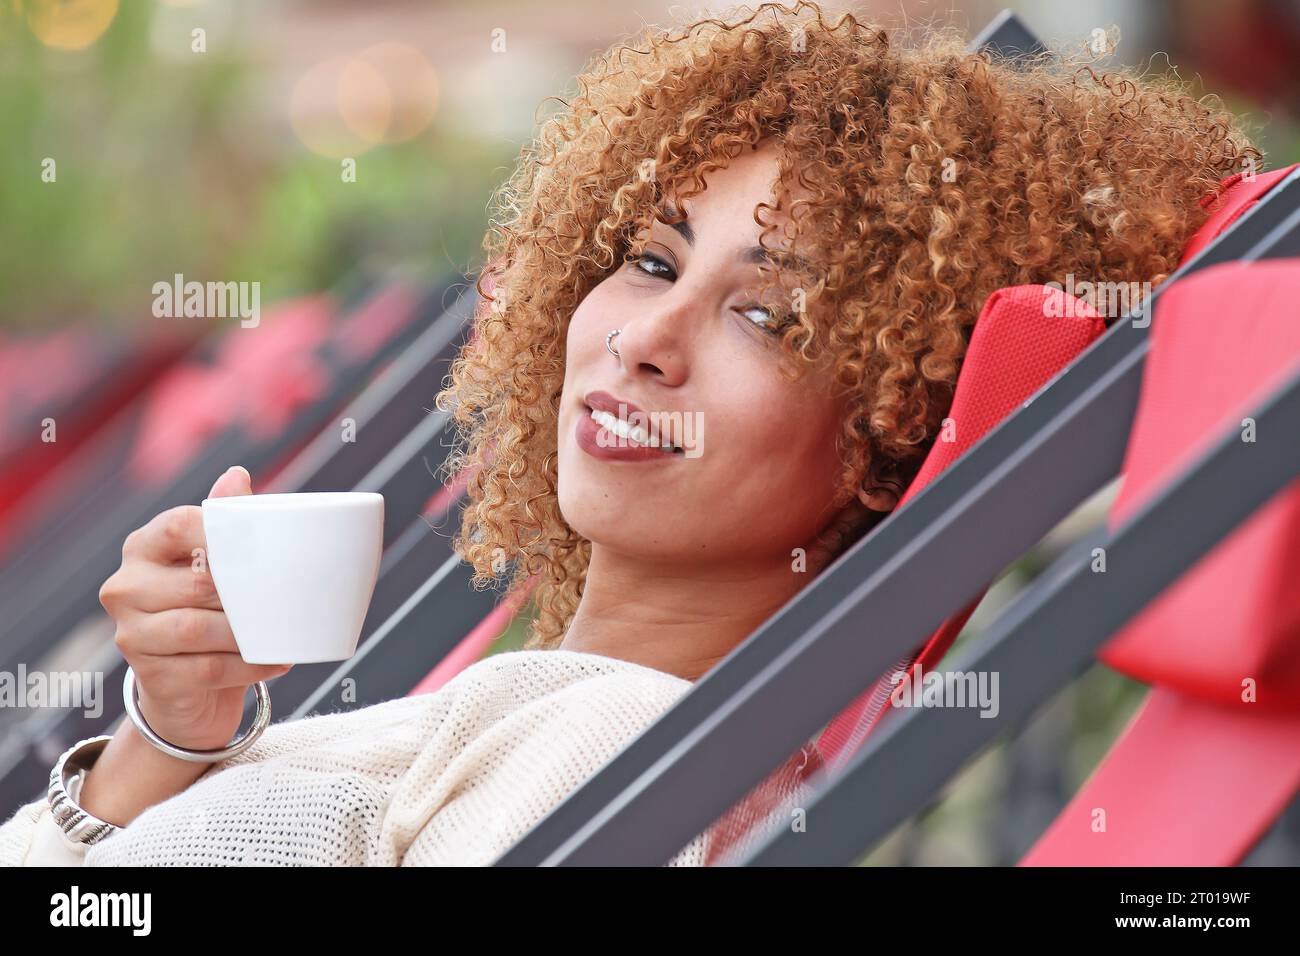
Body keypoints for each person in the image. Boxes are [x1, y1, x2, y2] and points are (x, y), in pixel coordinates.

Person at [0, 0, 1259, 866]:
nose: (646, 335)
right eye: (649, 257)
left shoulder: (614, 748)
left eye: (768, 314)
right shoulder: (526, 709)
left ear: (890, 428)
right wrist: (173, 728)